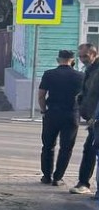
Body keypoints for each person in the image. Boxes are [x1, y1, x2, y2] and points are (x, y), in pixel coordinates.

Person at [38, 49, 83, 186]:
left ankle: (46, 176)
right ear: (73, 60)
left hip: (52, 113)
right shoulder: (80, 76)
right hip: (71, 114)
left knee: (47, 146)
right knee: (66, 147)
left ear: (58, 60)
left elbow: (41, 95)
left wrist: (43, 110)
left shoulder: (49, 74)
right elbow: (84, 97)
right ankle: (58, 178)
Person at [73, 43, 99, 194]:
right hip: (92, 119)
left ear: (94, 54)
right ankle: (84, 183)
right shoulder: (91, 69)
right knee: (89, 149)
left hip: (96, 119)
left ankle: (84, 184)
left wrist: (95, 116)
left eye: (86, 56)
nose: (82, 59)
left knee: (91, 149)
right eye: (81, 56)